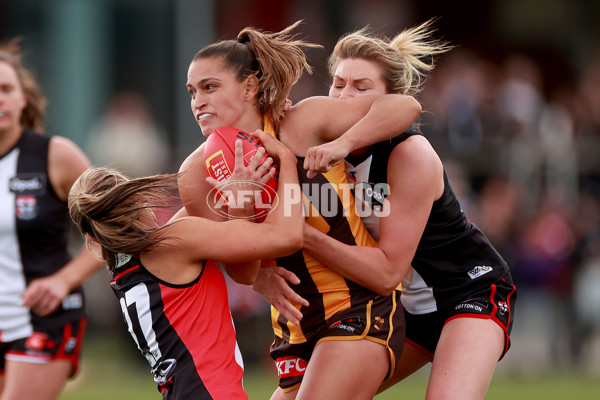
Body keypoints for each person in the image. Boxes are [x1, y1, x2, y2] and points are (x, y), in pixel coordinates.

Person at [178, 21, 422, 400]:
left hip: (358, 308)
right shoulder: (194, 175)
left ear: (249, 87)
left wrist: (343, 143)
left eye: (210, 87)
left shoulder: (301, 122)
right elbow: (242, 273)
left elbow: (404, 105)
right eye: (192, 92)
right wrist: (241, 206)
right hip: (294, 329)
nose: (198, 102)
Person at [277, 20, 517, 400]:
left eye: (361, 87)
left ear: (385, 99)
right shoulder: (318, 142)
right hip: (403, 306)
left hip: (467, 290)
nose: (343, 97)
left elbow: (387, 271)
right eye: (338, 84)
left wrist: (303, 235)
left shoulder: (409, 155)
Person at [67, 130, 304, 400]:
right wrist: (286, 159)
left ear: (91, 238)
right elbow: (288, 236)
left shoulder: (129, 269)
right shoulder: (175, 242)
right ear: (137, 199)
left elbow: (241, 260)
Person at [0, 39, 101, 400]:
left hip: (42, 318)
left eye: (7, 89)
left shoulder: (54, 155)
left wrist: (63, 280)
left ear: (23, 98)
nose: (0, 98)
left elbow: (115, 232)